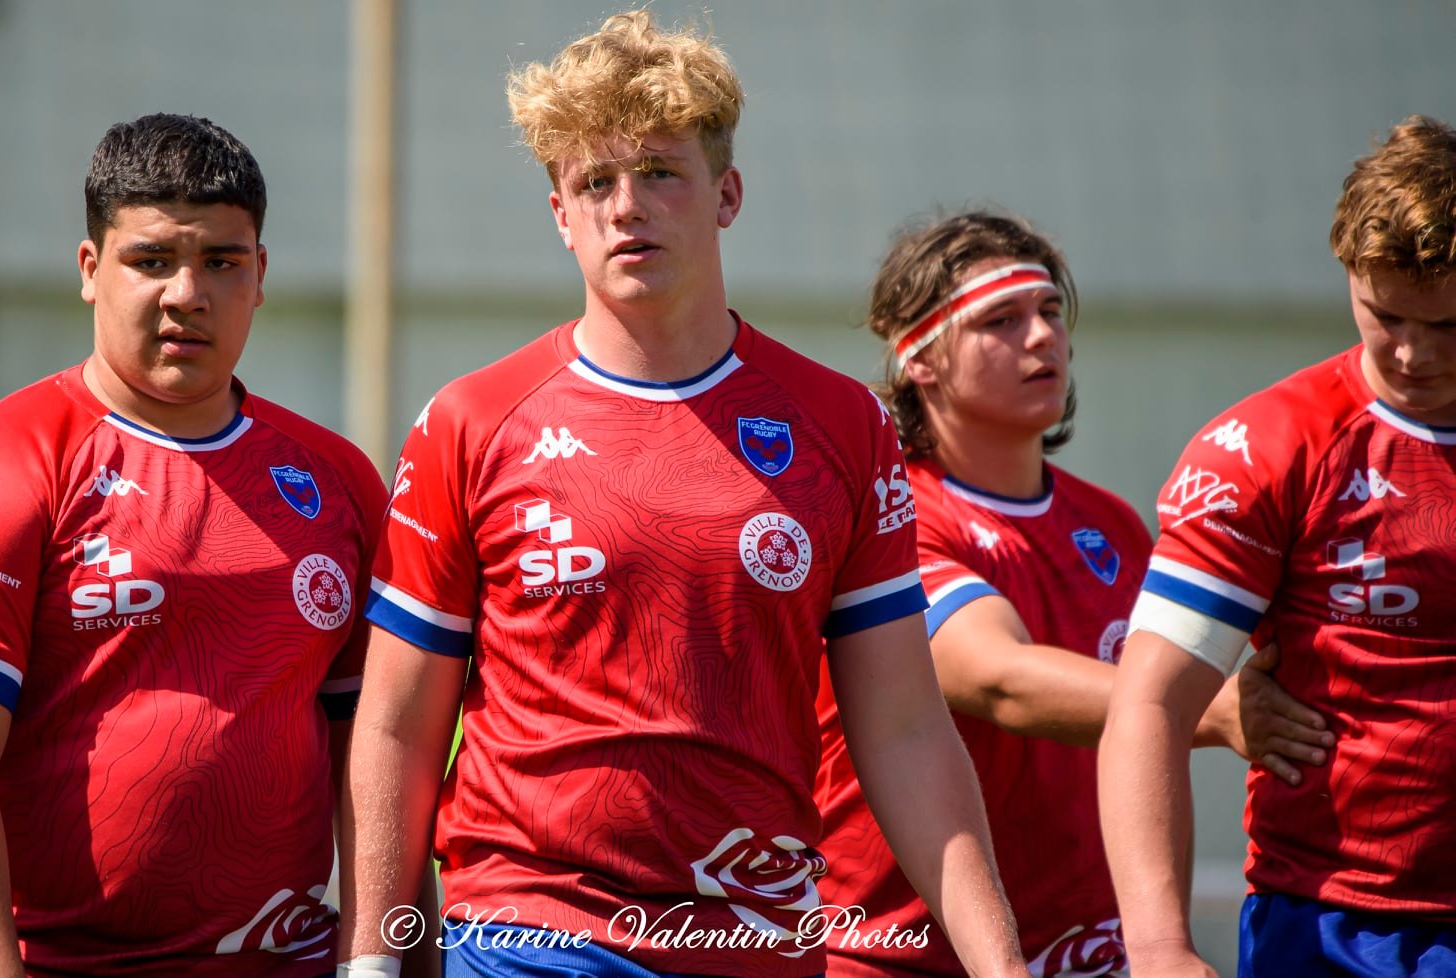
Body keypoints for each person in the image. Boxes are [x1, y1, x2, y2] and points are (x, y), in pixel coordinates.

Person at [339, 12, 1029, 978]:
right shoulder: (472, 420)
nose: (626, 207)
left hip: (753, 938)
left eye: (659, 172)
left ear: (726, 194)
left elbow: (906, 729)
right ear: (560, 215)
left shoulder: (841, 425)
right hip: (533, 932)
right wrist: (372, 961)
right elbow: (397, 727)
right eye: (595, 183)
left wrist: (1000, 966)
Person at [0, 113, 389, 978]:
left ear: (260, 275)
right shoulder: (2, 468)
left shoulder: (337, 478)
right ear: (91, 270)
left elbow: (379, 754)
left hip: (289, 962)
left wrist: (386, 960)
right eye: (151, 260)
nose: (186, 293)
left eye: (221, 262)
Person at [812, 212, 1334, 978]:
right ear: (917, 357)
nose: (1041, 337)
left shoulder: (1111, 523)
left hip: (1090, 957)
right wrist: (1211, 708)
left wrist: (1159, 939)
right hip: (895, 957)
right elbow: (998, 677)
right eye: (1000, 320)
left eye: (1050, 310)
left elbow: (1148, 753)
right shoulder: (895, 512)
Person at [1099, 115, 1456, 978]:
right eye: (1384, 315)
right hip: (1339, 929)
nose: (1410, 353)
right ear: (1346, 271)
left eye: (1448, 326)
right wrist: (1159, 947)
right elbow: (1149, 705)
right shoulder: (1264, 448)